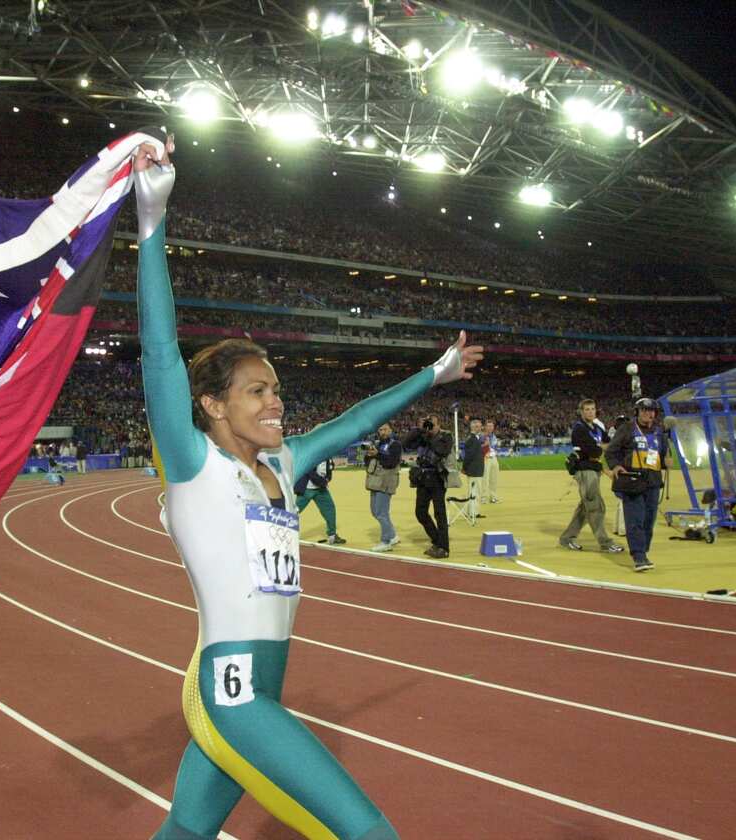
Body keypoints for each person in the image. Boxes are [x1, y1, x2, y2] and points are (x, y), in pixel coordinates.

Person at [133, 138, 484, 840]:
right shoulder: (195, 466)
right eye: (256, 392)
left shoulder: (286, 466)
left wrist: (433, 375)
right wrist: (151, 222)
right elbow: (159, 349)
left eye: (278, 391)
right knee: (369, 834)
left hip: (266, 682)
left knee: (187, 832)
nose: (274, 403)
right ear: (210, 405)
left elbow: (355, 420)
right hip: (231, 691)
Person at [606, 397, 670, 572]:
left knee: (649, 521)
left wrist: (666, 461)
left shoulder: (659, 432)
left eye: (651, 411)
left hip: (653, 482)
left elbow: (661, 457)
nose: (648, 414)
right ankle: (639, 556)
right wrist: (615, 466)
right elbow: (611, 451)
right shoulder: (627, 429)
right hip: (633, 480)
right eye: (644, 410)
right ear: (637, 412)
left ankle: (643, 551)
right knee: (635, 520)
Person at [559, 399, 623, 553]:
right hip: (585, 471)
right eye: (587, 409)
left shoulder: (597, 428)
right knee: (596, 508)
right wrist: (601, 447)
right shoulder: (579, 429)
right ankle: (605, 542)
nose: (590, 412)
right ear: (581, 411)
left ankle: (567, 538)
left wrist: (601, 448)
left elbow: (609, 445)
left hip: (593, 470)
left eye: (592, 409)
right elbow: (594, 452)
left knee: (585, 508)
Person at [404, 413, 455, 558]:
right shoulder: (422, 436)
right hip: (422, 478)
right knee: (420, 513)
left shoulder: (446, 436)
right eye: (428, 423)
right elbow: (405, 444)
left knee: (440, 514)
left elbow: (441, 451)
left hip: (437, 478)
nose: (429, 426)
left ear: (439, 425)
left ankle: (444, 548)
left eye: (432, 423)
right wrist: (418, 429)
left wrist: (431, 435)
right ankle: (437, 540)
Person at [364, 423, 403, 551]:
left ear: (391, 430)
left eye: (385, 429)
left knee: (381, 513)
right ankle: (392, 536)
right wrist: (368, 455)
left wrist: (377, 454)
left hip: (387, 481)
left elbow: (391, 462)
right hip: (375, 481)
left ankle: (386, 542)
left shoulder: (395, 444)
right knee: (375, 512)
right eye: (380, 429)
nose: (383, 432)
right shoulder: (376, 444)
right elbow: (368, 462)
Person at [295, 457, 346, 544]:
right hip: (307, 488)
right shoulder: (314, 453)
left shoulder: (327, 456)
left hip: (321, 489)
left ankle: (332, 536)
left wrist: (327, 479)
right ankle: (284, 533)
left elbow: (329, 470)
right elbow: (308, 470)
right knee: (293, 511)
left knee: (330, 509)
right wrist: (322, 482)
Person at [461, 418, 486, 520]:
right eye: (478, 426)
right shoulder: (472, 439)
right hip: (474, 471)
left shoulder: (474, 439)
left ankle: (472, 511)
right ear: (474, 427)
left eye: (480, 426)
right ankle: (473, 513)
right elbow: (469, 456)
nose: (480, 428)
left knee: (473, 491)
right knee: (474, 492)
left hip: (475, 470)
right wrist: (464, 468)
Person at [481, 419, 501, 504]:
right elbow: (479, 447)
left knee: (494, 479)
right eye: (488, 426)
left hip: (493, 458)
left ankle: (493, 497)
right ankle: (483, 497)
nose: (490, 428)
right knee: (485, 479)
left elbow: (495, 446)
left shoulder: (494, 436)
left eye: (491, 426)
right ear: (485, 427)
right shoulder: (482, 436)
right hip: (485, 458)